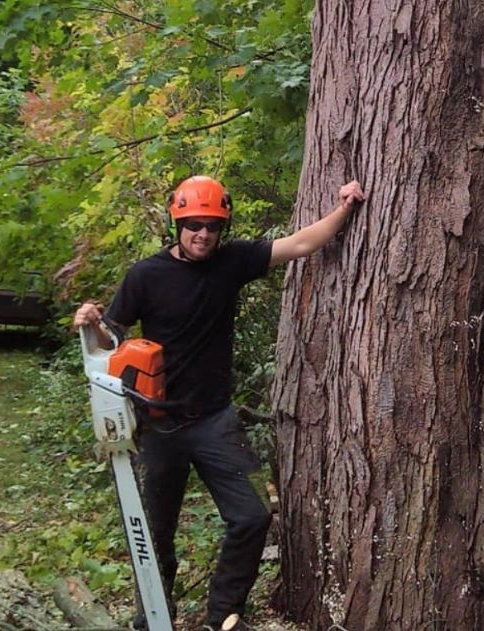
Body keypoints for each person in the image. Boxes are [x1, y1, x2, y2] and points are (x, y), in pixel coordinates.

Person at [74, 174, 365, 631]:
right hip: (157, 427)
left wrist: (345, 208)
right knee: (154, 537)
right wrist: (91, 324)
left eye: (211, 225)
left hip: (217, 421)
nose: (203, 234)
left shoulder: (233, 261)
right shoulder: (146, 274)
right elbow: (112, 336)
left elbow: (301, 245)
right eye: (193, 224)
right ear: (178, 223)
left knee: (252, 514)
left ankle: (222, 617)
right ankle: (153, 617)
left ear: (221, 227)